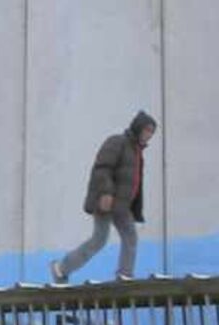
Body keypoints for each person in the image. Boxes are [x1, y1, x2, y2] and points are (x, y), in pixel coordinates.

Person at [51, 111, 158, 283]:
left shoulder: (137, 153)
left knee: (130, 237)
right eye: (147, 130)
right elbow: (102, 168)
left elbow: (133, 182)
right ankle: (61, 268)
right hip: (106, 201)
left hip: (122, 205)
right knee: (99, 240)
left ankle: (124, 276)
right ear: (138, 127)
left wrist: (134, 207)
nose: (149, 134)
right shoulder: (117, 142)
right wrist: (106, 193)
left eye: (152, 132)